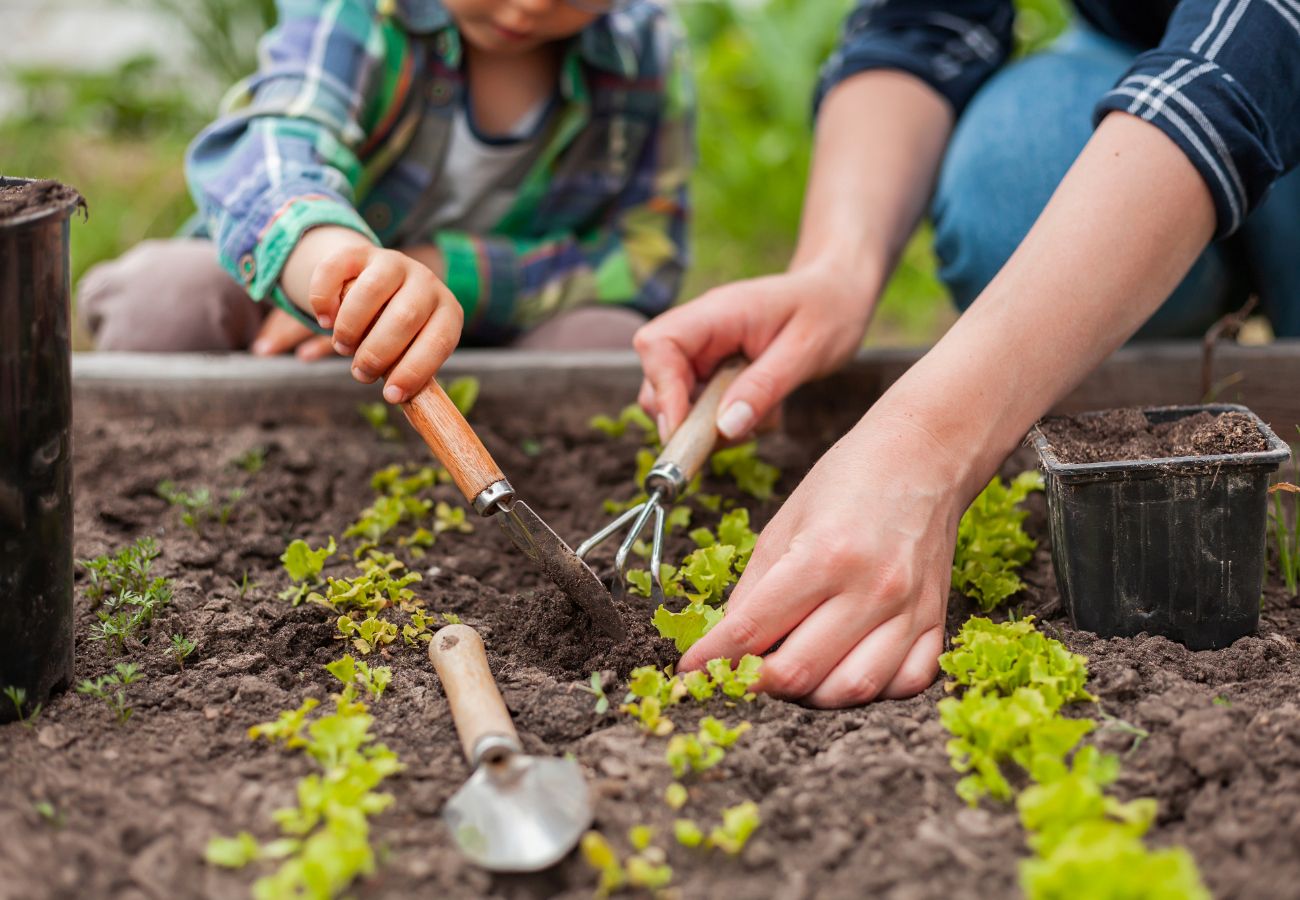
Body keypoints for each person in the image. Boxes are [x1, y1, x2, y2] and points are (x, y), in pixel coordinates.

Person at [634, 1, 1300, 707]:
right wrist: (837, 268)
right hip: (1144, 41)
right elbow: (921, 20)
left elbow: (1258, 38)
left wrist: (928, 442)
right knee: (1013, 181)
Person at [79, 0, 692, 402]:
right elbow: (279, 138)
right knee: (163, 300)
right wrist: (334, 269)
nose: (531, 5)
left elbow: (646, 256)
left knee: (614, 341)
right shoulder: (362, 12)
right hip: (291, 290)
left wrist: (447, 273)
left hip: (493, 334)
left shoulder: (644, 50)